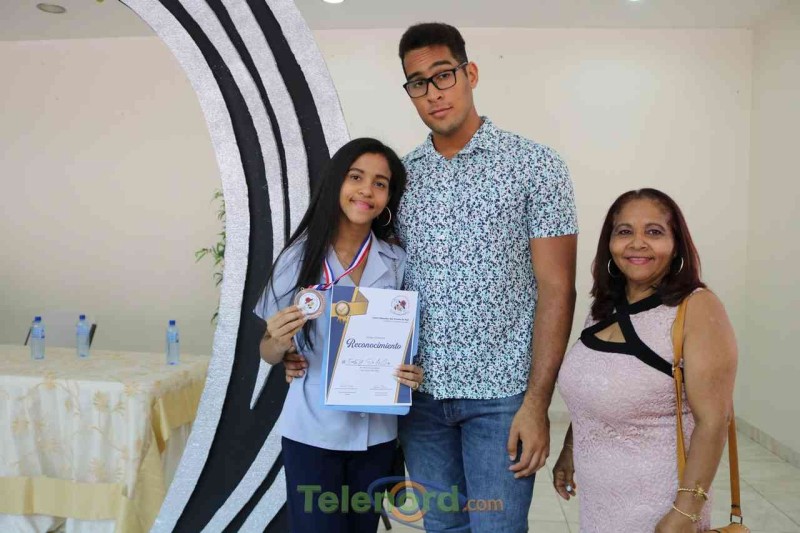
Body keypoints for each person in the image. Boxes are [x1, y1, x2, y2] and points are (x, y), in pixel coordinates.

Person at [289, 22, 579, 531]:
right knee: (443, 528)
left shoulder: (536, 167)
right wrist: (307, 347)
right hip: (417, 400)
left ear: (470, 73)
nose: (433, 93)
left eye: (443, 75)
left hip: (501, 398)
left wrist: (538, 403)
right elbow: (365, 273)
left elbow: (558, 288)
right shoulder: (400, 179)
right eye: (418, 83)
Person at [254, 137, 424, 533]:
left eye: (380, 183)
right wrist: (278, 343)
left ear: (389, 198)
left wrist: (411, 372)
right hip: (312, 432)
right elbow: (267, 351)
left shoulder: (397, 261)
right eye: (356, 177)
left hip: (377, 435)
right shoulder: (297, 257)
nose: (367, 190)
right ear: (337, 183)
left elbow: (407, 340)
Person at [553, 189, 738, 533]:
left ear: (676, 244)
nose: (637, 243)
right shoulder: (604, 307)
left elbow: (714, 421)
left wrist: (684, 513)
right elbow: (596, 386)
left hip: (660, 508)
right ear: (609, 243)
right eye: (625, 231)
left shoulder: (697, 308)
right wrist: (569, 448)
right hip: (599, 505)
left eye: (654, 232)